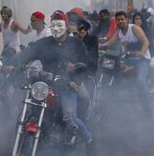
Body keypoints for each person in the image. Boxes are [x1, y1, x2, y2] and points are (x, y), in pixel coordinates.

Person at [6, 11, 93, 144]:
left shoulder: (76, 44)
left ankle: (89, 141)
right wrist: (12, 64)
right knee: (29, 107)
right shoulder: (43, 43)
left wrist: (75, 80)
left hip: (67, 85)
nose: (56, 28)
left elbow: (85, 65)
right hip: (45, 84)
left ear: (66, 26)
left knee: (71, 118)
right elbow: (27, 54)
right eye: (53, 25)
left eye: (59, 24)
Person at [101, 11, 154, 117]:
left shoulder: (134, 28)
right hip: (128, 58)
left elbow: (146, 42)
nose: (120, 21)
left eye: (122, 19)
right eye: (118, 20)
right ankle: (120, 102)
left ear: (126, 20)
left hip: (142, 60)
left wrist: (141, 53)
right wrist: (98, 46)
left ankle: (148, 111)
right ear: (116, 21)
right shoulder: (119, 32)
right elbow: (109, 43)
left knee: (140, 81)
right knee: (111, 70)